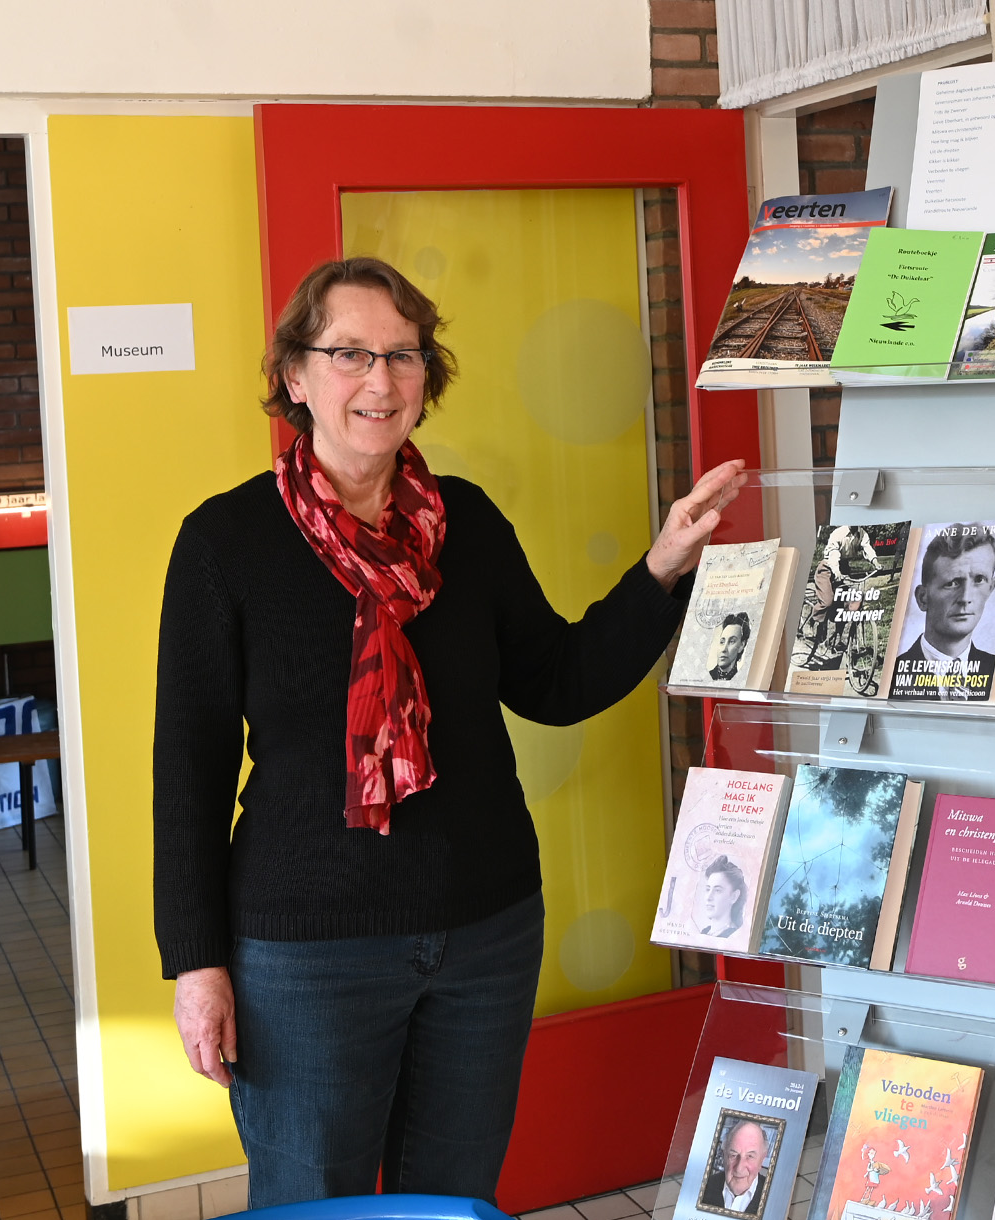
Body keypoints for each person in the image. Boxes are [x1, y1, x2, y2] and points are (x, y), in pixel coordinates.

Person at [153, 256, 748, 1207]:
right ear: (295, 378)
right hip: (307, 958)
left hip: (484, 934)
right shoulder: (226, 545)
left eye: (404, 355)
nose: (379, 380)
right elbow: (186, 772)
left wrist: (661, 570)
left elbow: (554, 681)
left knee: (454, 1200)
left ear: (427, 381)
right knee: (316, 1205)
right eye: (349, 353)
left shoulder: (462, 522)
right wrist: (195, 964)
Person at [895, 523, 995, 701]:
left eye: (979, 580)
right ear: (923, 598)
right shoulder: (893, 675)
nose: (966, 598)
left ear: (991, 587)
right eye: (952, 583)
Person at [699, 1118, 775, 1215]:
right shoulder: (703, 1186)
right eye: (733, 1155)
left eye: (750, 1156)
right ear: (724, 1155)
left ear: (762, 1158)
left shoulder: (775, 1197)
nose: (739, 1168)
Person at [695, 855, 748, 939]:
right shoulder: (704, 932)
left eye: (717, 890)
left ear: (734, 896)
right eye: (708, 889)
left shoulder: (734, 937)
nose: (709, 897)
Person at [708, 612, 751, 682]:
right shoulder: (708, 676)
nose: (723, 649)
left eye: (731, 641)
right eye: (722, 642)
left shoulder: (741, 680)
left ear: (741, 645)